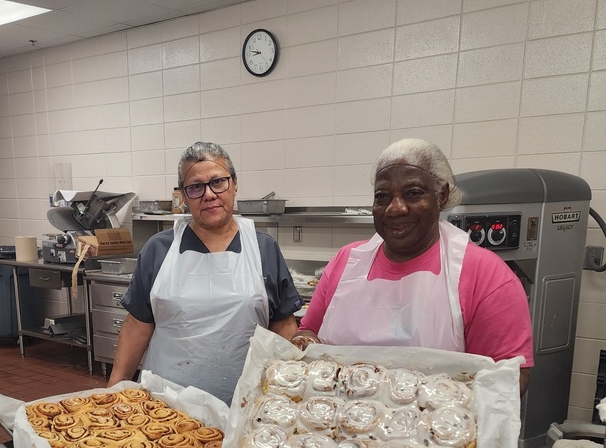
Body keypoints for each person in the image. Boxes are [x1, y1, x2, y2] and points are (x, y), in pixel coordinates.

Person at [292, 138, 533, 394]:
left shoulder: (485, 274)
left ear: (441, 196)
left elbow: (509, 378)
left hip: (435, 427)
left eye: (413, 193)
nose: (395, 208)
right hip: (338, 423)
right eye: (382, 196)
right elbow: (309, 332)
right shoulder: (347, 262)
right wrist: (300, 344)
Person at [108, 141, 302, 405]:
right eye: (195, 187)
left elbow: (283, 326)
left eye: (218, 182)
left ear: (234, 184)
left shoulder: (262, 248)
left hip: (245, 402)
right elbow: (137, 327)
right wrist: (112, 394)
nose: (209, 194)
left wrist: (290, 393)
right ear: (184, 196)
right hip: (167, 403)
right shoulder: (159, 250)